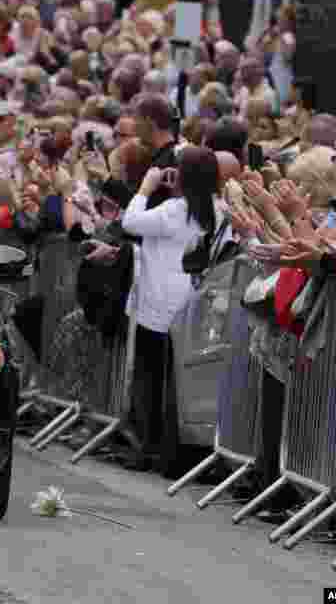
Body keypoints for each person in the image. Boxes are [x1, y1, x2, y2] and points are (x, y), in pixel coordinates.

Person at [121, 146, 222, 469]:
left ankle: (146, 447)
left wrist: (145, 188)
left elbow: (131, 222)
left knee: (150, 379)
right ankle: (174, 452)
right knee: (177, 383)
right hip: (190, 302)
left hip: (159, 304)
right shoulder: (217, 209)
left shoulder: (174, 210)